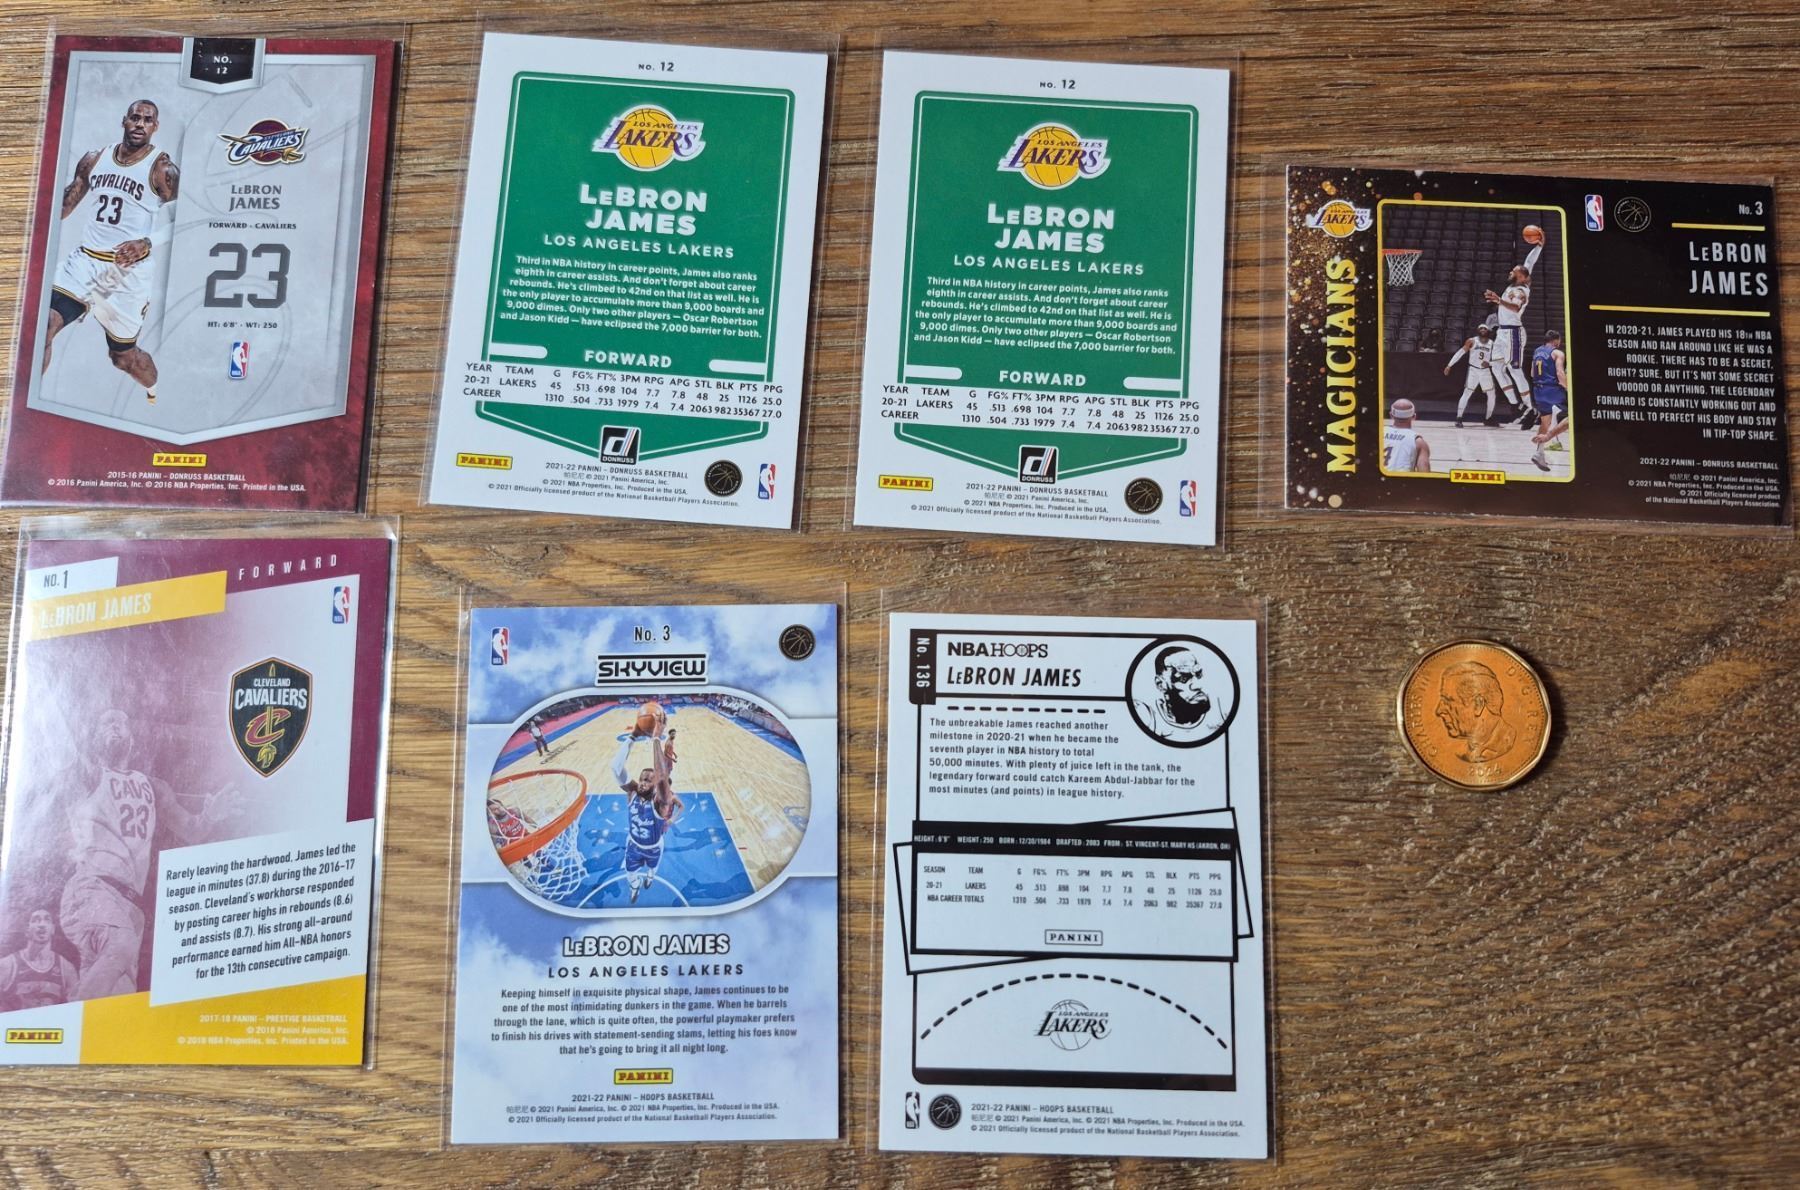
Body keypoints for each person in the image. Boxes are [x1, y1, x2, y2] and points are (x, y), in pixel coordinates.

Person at [57, 709, 222, 1000]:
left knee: (118, 997)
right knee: (121, 946)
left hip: (131, 905)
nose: (115, 726)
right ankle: (68, 1017)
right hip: (93, 888)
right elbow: (63, 747)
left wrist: (211, 816)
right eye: (107, 722)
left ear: (132, 738)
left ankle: (83, 1023)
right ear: (93, 737)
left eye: (121, 722)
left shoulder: (154, 786)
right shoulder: (88, 775)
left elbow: (192, 831)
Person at [42, 100, 180, 403]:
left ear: (155, 127)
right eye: (135, 117)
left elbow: (184, 220)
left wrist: (147, 243)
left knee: (123, 359)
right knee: (44, 325)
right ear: (124, 121)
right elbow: (62, 208)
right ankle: (22, 399)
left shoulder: (162, 169)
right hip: (85, 262)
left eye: (147, 120)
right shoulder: (95, 159)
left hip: (126, 273)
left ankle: (156, 391)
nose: (140, 124)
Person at [610, 713, 683, 903]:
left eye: (648, 780)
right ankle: (635, 887)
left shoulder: (662, 802)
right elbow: (616, 768)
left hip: (654, 847)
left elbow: (662, 776)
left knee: (652, 870)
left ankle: (650, 877)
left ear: (656, 785)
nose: (642, 782)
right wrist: (632, 736)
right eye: (641, 779)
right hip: (633, 844)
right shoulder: (632, 793)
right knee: (630, 874)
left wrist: (656, 738)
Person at [1133, 646, 1226, 743]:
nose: (1198, 685)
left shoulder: (1220, 712)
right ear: (1160, 684)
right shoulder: (1148, 716)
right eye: (1183, 678)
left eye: (1198, 675)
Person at [1434, 661, 1518, 764]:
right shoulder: (1465, 752)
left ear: (1478, 705)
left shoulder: (1507, 741)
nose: (1439, 711)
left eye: (1448, 701)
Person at [0, 907, 78, 1011]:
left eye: (47, 920)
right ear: (27, 929)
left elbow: (75, 1011)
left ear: (53, 929)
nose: (42, 925)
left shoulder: (67, 969)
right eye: (36, 920)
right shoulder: (7, 965)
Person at [1444, 326, 1520, 427]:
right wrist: (1449, 365)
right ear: (1478, 331)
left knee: (1492, 394)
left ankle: (1488, 418)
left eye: (1485, 329)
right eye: (1481, 329)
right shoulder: (1472, 341)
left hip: (1485, 371)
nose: (1483, 330)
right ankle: (1459, 418)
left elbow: (1499, 360)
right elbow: (1460, 353)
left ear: (1488, 331)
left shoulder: (1492, 344)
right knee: (1467, 393)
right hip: (1473, 370)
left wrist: (1490, 363)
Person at [1528, 330, 1570, 472]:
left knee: (1545, 422)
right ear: (1556, 340)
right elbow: (1560, 373)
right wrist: (1568, 388)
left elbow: (1532, 373)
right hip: (1552, 390)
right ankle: (1551, 438)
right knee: (1574, 414)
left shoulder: (1536, 352)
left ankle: (1539, 453)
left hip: (1538, 391)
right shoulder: (1557, 353)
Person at [1382, 398, 1431, 474]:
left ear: (1391, 415)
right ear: (1414, 416)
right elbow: (1424, 474)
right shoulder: (1418, 442)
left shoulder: (1379, 433)